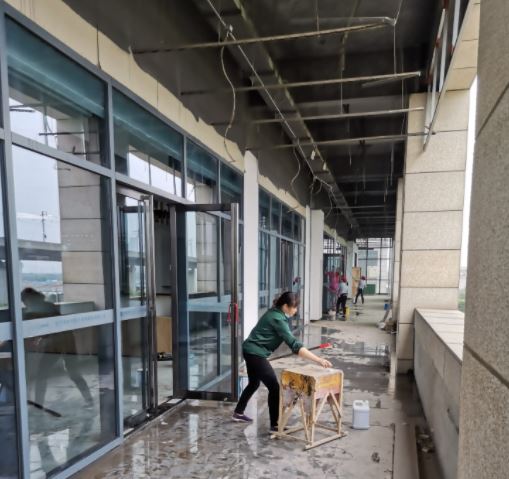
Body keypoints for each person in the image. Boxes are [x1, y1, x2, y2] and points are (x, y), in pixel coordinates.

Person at [232, 292, 332, 432]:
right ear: (285, 306)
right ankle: (275, 425)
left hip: (251, 350)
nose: (295, 310)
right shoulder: (278, 319)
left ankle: (238, 412)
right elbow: (295, 345)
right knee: (274, 387)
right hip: (255, 354)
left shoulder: (274, 313)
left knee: (254, 383)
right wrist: (318, 360)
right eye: (294, 307)